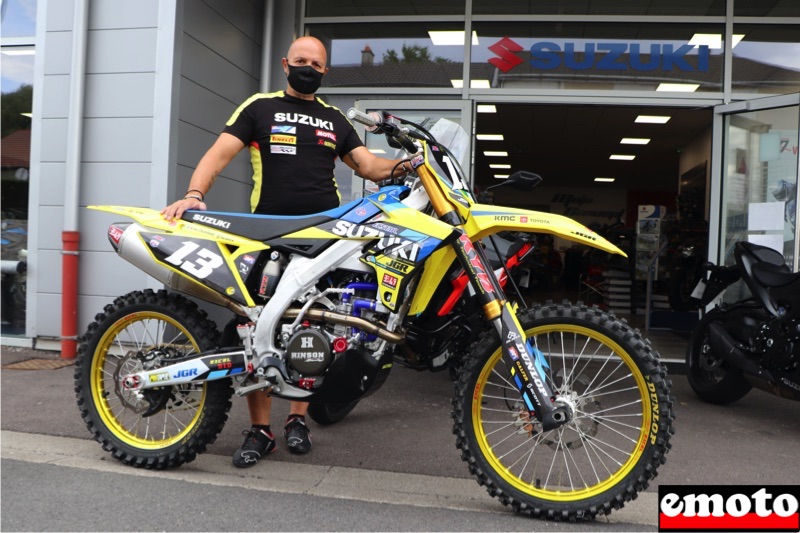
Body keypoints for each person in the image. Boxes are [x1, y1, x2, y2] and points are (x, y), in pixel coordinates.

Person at [161, 36, 412, 467]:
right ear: (285, 64)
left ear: (325, 71)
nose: (308, 67)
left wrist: (411, 165)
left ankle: (297, 420)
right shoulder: (259, 107)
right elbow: (218, 154)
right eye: (301, 60)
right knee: (256, 330)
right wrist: (194, 193)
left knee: (311, 330)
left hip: (324, 238)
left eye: (316, 63)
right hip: (268, 236)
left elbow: (369, 166)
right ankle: (260, 430)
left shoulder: (334, 118)